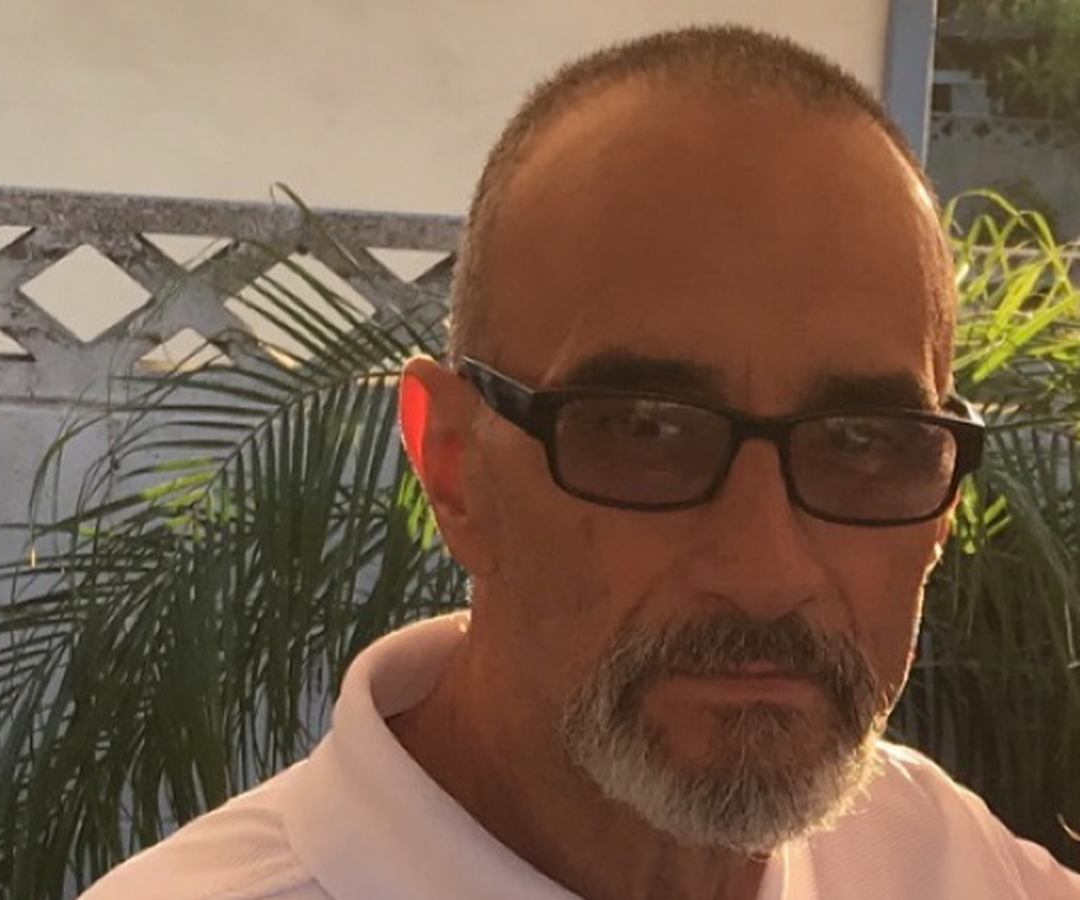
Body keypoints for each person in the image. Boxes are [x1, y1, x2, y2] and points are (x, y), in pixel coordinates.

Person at [80, 25, 1080, 900]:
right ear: (453, 466)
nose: (766, 571)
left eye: (865, 442)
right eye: (646, 430)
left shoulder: (944, 863)